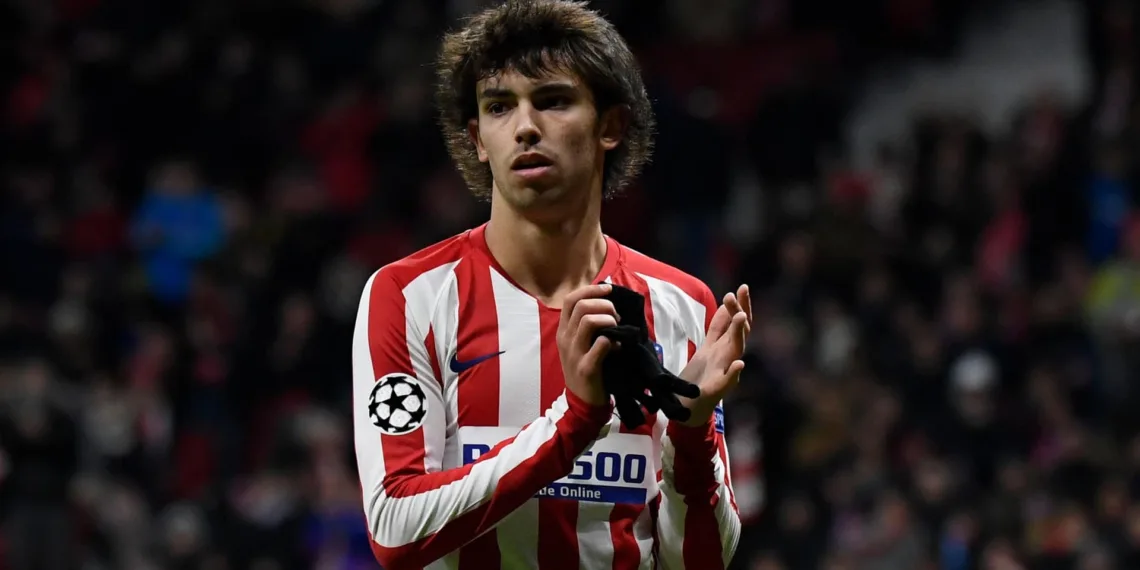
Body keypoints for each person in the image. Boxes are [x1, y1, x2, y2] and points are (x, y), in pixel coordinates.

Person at [351, 1, 753, 568]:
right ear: (478, 138)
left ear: (610, 126)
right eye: (499, 107)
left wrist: (692, 435)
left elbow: (699, 562)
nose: (525, 127)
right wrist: (574, 422)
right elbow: (396, 529)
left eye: (553, 100)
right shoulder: (409, 297)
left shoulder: (683, 306)